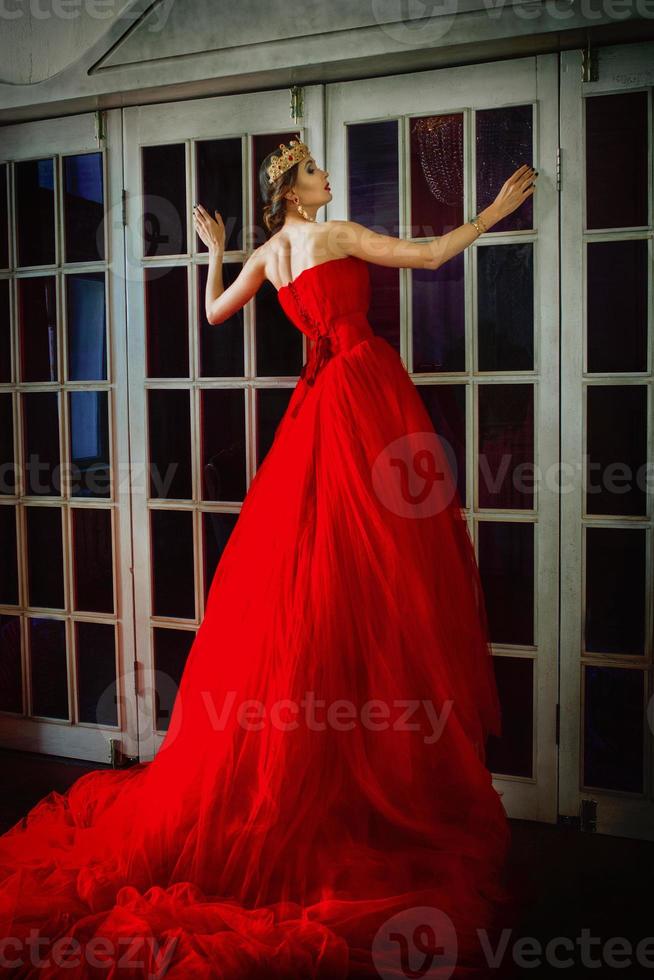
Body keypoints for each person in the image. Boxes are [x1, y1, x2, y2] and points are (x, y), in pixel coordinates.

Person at [0, 138, 536, 979]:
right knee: (378, 569)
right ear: (294, 190)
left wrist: (214, 256)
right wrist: (500, 212)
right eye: (315, 171)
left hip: (320, 407)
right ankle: (363, 761)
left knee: (312, 580)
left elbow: (214, 315)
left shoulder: (274, 251)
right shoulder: (337, 233)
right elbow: (431, 254)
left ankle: (334, 751)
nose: (327, 178)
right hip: (358, 391)